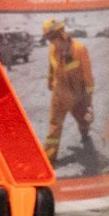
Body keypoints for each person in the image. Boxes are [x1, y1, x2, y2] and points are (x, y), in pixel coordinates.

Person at [42, 17, 96, 165]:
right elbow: (51, 67)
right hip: (60, 93)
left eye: (53, 37)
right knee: (55, 124)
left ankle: (85, 133)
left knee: (83, 119)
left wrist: (88, 101)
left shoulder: (79, 49)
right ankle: (49, 157)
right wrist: (50, 81)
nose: (52, 42)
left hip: (78, 95)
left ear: (62, 34)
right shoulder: (53, 49)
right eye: (49, 39)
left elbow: (88, 77)